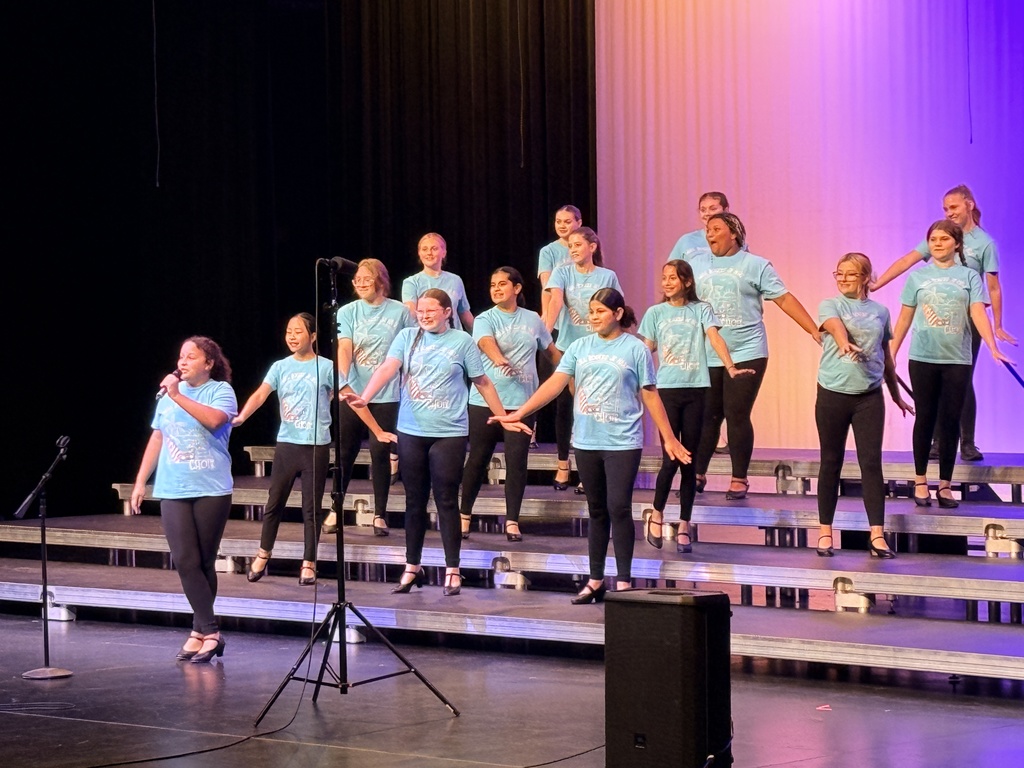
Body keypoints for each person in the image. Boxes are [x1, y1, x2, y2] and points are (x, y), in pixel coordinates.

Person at [497, 288, 689, 604]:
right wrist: (519, 412)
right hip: (586, 441)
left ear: (617, 313)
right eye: (591, 311)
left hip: (622, 442)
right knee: (597, 511)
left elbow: (650, 394)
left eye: (600, 311)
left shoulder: (635, 349)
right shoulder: (579, 347)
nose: (594, 317)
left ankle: (625, 583)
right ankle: (596, 579)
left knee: (618, 507)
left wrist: (669, 437)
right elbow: (555, 384)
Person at [342, 289, 509, 597]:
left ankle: (453, 569)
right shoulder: (407, 337)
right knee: (413, 501)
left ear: (448, 312)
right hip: (411, 431)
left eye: (432, 310)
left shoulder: (462, 342)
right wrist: (364, 398)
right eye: (420, 310)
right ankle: (412, 566)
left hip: (449, 432)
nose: (425, 315)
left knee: (446, 500)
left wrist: (504, 417)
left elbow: (482, 382)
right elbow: (387, 368)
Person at [232, 313, 392, 586]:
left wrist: (377, 431)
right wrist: (241, 417)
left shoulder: (326, 367)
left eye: (298, 331)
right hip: (287, 445)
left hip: (315, 446)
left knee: (310, 508)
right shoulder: (280, 366)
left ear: (313, 336)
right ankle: (263, 553)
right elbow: (261, 393)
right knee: (274, 503)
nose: (292, 337)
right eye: (289, 332)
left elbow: (353, 399)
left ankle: (309, 562)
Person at [871, 185, 1017, 461]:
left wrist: (997, 325)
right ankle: (938, 441)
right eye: (945, 209)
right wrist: (878, 284)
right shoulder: (941, 237)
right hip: (936, 320)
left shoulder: (984, 243)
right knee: (933, 380)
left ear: (969, 206)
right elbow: (906, 261)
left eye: (954, 207)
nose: (949, 213)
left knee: (962, 379)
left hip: (967, 320)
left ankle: (968, 442)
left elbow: (993, 287)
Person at [689, 212, 821, 500]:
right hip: (708, 351)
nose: (709, 233)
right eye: (707, 229)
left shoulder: (755, 265)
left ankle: (739, 478)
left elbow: (783, 298)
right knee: (709, 415)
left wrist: (813, 329)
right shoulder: (697, 263)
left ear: (733, 234)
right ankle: (697, 474)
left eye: (716, 229)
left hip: (747, 350)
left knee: (736, 414)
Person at [891, 220, 1013, 509]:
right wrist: (891, 351)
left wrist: (993, 347)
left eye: (944, 239)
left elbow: (977, 314)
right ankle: (920, 481)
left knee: (949, 422)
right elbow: (905, 318)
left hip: (957, 359)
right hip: (923, 358)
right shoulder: (917, 278)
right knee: (925, 419)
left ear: (956, 243)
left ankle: (945, 485)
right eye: (933, 239)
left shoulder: (969, 277)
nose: (937, 243)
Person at [129, 336, 237, 664]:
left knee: (204, 562)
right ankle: (211, 631)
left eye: (192, 357)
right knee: (184, 560)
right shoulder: (167, 397)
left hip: (210, 486)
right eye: (181, 356)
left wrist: (177, 395)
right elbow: (158, 436)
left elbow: (216, 420)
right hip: (173, 487)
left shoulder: (220, 391)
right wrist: (140, 481)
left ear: (208, 363)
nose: (183, 361)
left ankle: (198, 631)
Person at [637, 260, 754, 553]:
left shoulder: (701, 309)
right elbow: (645, 347)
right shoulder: (655, 313)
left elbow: (714, 337)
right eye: (663, 277)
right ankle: (657, 512)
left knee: (689, 461)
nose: (666, 282)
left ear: (687, 282)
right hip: (667, 390)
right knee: (670, 459)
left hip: (696, 390)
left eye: (672, 278)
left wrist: (730, 367)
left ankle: (685, 524)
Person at [815, 255, 914, 560]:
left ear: (866, 278)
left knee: (870, 463)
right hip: (833, 393)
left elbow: (886, 357)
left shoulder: (880, 312)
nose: (843, 278)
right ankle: (824, 532)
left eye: (850, 274)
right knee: (830, 461)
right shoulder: (830, 304)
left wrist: (896, 395)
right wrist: (843, 341)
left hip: (869, 397)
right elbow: (832, 326)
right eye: (839, 273)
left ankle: (877, 535)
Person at [459, 267, 560, 542]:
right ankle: (464, 515)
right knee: (478, 458)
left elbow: (551, 353)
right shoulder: (485, 318)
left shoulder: (532, 319)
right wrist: (497, 358)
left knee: (517, 462)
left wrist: (574, 374)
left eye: (502, 284)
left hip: (523, 405)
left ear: (516, 288)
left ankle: (512, 520)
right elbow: (484, 341)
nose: (496, 289)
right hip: (486, 402)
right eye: (493, 285)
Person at [332, 259, 417, 537]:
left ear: (380, 279)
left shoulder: (400, 312)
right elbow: (345, 346)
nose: (361, 283)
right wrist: (342, 380)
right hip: (355, 393)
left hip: (388, 394)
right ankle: (336, 508)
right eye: (357, 279)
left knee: (381, 453)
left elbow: (409, 349)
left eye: (367, 278)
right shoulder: (347, 311)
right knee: (345, 453)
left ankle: (380, 514)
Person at [542, 226, 622, 493]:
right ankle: (563, 463)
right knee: (565, 406)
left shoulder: (607, 275)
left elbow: (617, 307)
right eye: (571, 246)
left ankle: (589, 471)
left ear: (593, 247)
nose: (574, 249)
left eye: (578, 245)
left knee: (592, 407)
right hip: (568, 346)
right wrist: (544, 334)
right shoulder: (562, 272)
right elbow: (554, 302)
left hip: (599, 348)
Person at [401, 232, 474, 332]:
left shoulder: (455, 280)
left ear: (443, 253)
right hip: (426, 340)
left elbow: (464, 313)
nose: (429, 253)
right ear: (419, 253)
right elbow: (410, 315)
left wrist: (479, 336)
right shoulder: (411, 282)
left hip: (454, 339)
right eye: (424, 249)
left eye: (434, 249)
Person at [537, 205, 583, 319]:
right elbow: (547, 287)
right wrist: (547, 313)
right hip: (560, 314)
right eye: (558, 222)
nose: (562, 226)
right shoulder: (548, 251)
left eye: (567, 222)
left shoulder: (587, 247)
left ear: (579, 223)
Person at [666, 191, 730, 262]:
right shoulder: (686, 240)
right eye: (703, 210)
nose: (707, 213)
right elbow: (670, 270)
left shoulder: (734, 241)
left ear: (726, 210)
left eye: (713, 209)